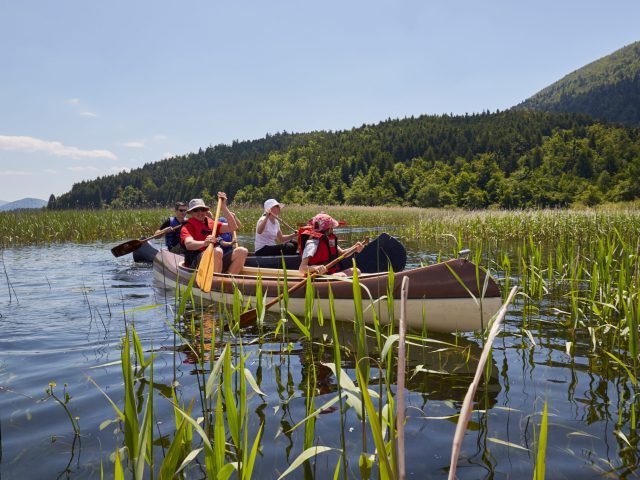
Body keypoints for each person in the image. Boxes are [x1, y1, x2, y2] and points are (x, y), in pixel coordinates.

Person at [180, 193, 248, 274]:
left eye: (202, 209)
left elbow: (233, 227)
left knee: (242, 251)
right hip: (196, 261)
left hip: (215, 257)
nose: (200, 212)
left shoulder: (212, 224)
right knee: (217, 251)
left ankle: (229, 280)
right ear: (191, 213)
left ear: (206, 211)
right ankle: (216, 282)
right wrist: (204, 243)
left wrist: (224, 207)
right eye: (196, 210)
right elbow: (189, 244)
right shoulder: (187, 227)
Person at [298, 212, 364, 277]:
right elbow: (302, 268)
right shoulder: (312, 244)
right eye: (332, 227)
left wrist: (354, 248)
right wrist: (316, 268)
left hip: (330, 273)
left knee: (356, 271)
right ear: (328, 229)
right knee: (342, 275)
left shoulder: (329, 240)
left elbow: (342, 253)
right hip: (317, 276)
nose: (333, 229)